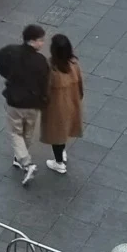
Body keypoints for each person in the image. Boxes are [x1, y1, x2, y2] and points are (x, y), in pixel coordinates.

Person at [0, 24, 50, 186]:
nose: (43, 43)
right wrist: (44, 100)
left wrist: (7, 74)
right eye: (41, 40)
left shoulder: (11, 51)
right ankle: (22, 158)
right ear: (33, 41)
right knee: (28, 131)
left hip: (15, 101)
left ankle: (25, 161)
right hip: (33, 102)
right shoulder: (40, 61)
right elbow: (45, 83)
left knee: (15, 132)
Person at [41, 33, 84, 174]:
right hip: (71, 103)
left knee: (56, 134)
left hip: (56, 108)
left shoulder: (51, 69)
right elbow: (80, 85)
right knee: (64, 131)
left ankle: (59, 163)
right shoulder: (74, 63)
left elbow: (44, 90)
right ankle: (62, 153)